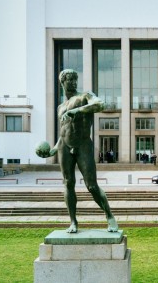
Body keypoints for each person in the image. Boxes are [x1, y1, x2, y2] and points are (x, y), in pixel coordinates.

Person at [35, 69, 117, 233]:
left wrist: (77, 110)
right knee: (68, 183)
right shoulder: (60, 107)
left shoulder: (85, 96)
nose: (73, 82)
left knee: (91, 186)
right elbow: (63, 132)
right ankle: (73, 222)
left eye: (75, 79)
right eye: (70, 79)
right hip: (64, 147)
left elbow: (100, 104)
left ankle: (109, 216)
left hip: (83, 145)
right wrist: (53, 150)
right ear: (62, 82)